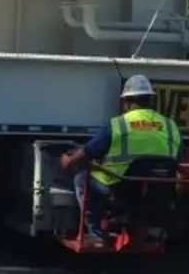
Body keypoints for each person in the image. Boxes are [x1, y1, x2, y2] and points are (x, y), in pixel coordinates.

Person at [58, 75, 182, 246]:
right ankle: (145, 227)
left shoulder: (118, 124)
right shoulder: (170, 126)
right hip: (156, 189)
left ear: (127, 102)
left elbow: (88, 152)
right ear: (151, 101)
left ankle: (96, 234)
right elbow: (177, 158)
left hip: (120, 187)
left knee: (82, 177)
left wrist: (68, 161)